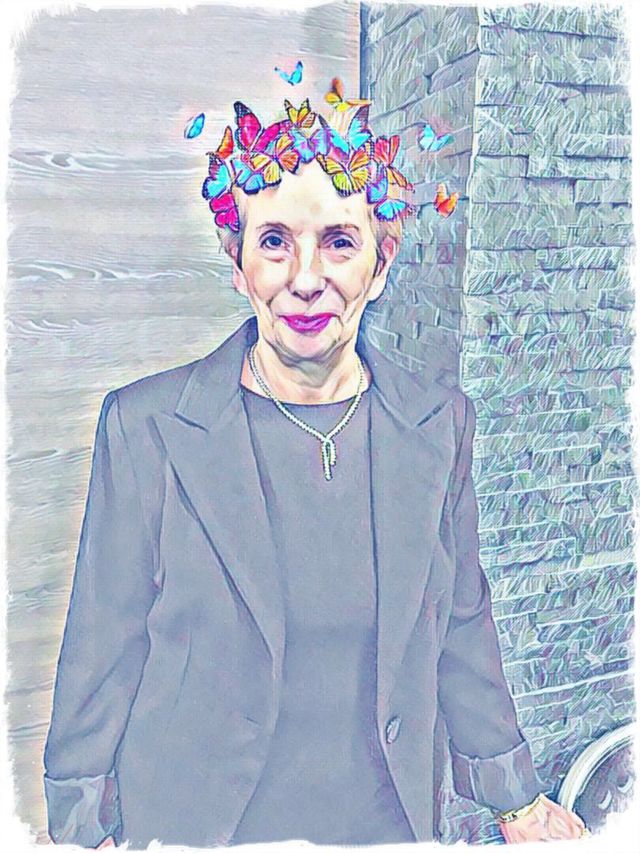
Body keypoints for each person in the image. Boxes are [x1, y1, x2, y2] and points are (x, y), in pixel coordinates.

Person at [43, 94, 588, 848]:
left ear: (380, 262)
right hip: (197, 826)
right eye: (274, 242)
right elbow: (101, 651)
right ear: (237, 263)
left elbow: (461, 621)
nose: (305, 278)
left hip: (384, 825)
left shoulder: (438, 425)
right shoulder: (146, 428)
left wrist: (516, 799)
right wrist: (80, 831)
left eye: (338, 242)